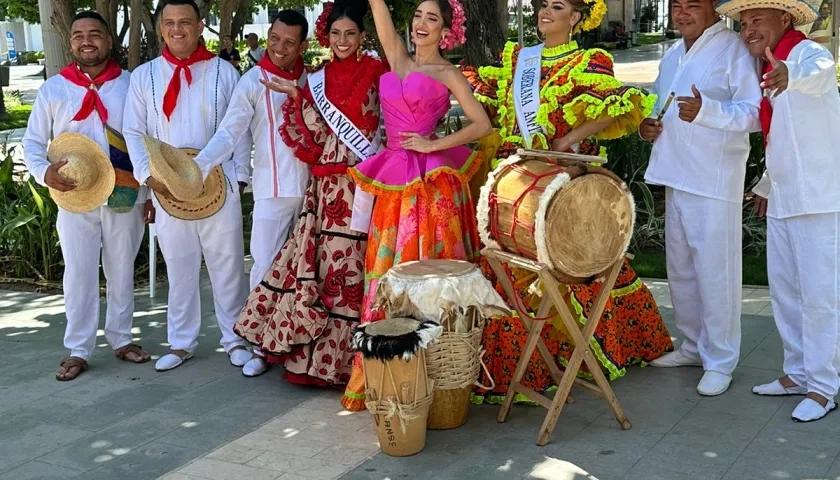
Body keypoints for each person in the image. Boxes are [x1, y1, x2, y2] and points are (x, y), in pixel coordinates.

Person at [461, 0, 673, 404]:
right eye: (544, 6)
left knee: (566, 264)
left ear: (575, 18)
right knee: (508, 263)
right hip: (517, 180)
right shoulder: (519, 58)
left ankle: (560, 353)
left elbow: (617, 107)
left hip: (561, 179)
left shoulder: (588, 61)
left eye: (556, 7)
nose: (544, 12)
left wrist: (569, 139)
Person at [340, 0, 492, 410]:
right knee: (388, 270)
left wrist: (433, 144)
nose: (422, 24)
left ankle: (442, 377)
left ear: (446, 30)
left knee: (433, 272)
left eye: (433, 18)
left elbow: (482, 125)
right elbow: (378, 7)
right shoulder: (396, 56)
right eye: (419, 16)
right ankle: (387, 375)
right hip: (394, 183)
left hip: (433, 184)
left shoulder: (448, 72)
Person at [231, 1, 389, 381]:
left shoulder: (376, 71)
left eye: (350, 33)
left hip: (365, 180)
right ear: (326, 36)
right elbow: (315, 135)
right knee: (324, 264)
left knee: (355, 263)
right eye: (336, 33)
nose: (343, 40)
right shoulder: (316, 78)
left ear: (363, 36)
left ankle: (357, 359)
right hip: (328, 186)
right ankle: (313, 357)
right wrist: (300, 98)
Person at [718, 0, 840, 422]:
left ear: (784, 20)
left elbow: (822, 75)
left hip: (821, 200)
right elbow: (782, 139)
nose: (748, 29)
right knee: (786, 292)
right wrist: (767, 185)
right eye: (744, 23)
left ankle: (824, 387)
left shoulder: (804, 54)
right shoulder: (768, 71)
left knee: (820, 297)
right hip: (787, 198)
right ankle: (797, 374)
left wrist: (792, 74)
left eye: (757, 20)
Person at [123, 0, 253, 372]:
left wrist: (240, 177)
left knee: (227, 265)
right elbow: (134, 131)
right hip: (168, 191)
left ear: (200, 26)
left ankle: (236, 339)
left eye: (185, 22)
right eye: (169, 22)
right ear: (160, 28)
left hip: (220, 186)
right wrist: (148, 178)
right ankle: (181, 343)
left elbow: (238, 128)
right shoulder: (144, 76)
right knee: (179, 268)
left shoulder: (224, 72)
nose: (177, 29)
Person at [640, 0, 762, 397]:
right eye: (676, 5)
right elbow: (659, 104)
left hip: (714, 176)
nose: (682, 13)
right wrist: (649, 126)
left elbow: (754, 113)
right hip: (675, 172)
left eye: (693, 5)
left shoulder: (734, 48)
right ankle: (692, 346)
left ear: (713, 8)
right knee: (681, 269)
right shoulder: (674, 52)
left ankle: (721, 359)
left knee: (716, 270)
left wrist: (707, 111)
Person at [23, 11, 153, 381]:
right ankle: (78, 348)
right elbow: (33, 142)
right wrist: (44, 172)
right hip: (75, 195)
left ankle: (122, 338)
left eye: (95, 34)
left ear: (109, 41)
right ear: (71, 43)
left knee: (121, 267)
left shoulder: (132, 85)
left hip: (125, 191)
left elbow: (146, 141)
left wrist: (148, 195)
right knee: (78, 271)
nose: (86, 41)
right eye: (79, 35)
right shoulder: (54, 89)